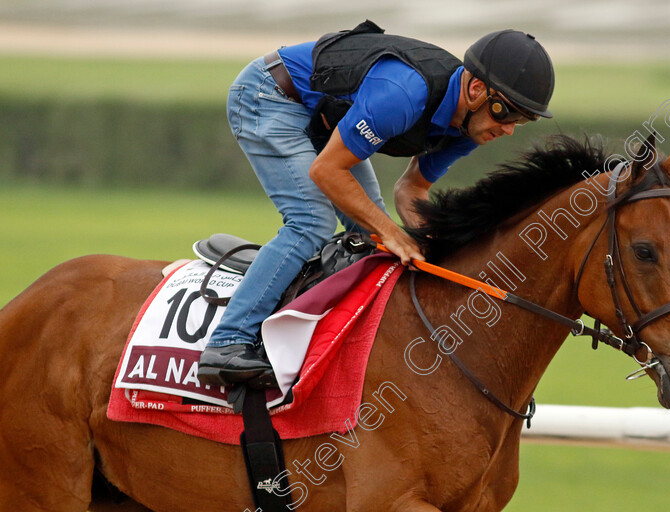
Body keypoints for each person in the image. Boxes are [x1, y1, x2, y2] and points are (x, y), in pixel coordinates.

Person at [197, 20, 555, 387]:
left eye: (522, 121)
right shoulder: (403, 94)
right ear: (477, 89)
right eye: (507, 113)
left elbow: (411, 190)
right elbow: (328, 172)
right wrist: (390, 232)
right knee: (312, 223)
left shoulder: (470, 126)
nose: (509, 129)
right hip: (269, 94)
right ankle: (228, 342)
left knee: (373, 234)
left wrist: (434, 252)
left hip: (323, 116)